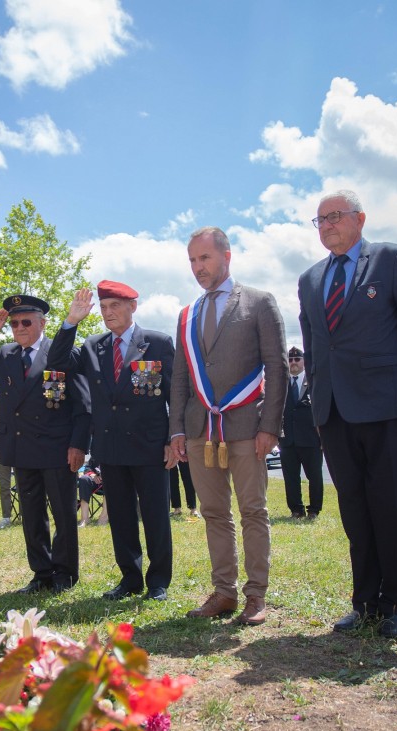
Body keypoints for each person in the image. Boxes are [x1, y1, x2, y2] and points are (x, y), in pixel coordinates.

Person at [169, 227, 288, 625]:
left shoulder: (259, 302)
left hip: (247, 428)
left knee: (253, 511)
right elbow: (181, 379)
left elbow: (278, 365)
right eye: (191, 260)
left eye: (204, 258)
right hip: (201, 429)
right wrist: (177, 431)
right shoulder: (188, 315)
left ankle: (256, 596)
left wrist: (270, 425)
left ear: (226, 256)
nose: (197, 268)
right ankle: (224, 593)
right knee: (214, 512)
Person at [299, 189, 397, 638]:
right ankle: (366, 602)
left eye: (334, 216)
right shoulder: (309, 279)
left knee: (391, 506)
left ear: (360, 218)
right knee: (354, 509)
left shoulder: (390, 260)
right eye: (319, 220)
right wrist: (318, 406)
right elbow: (317, 347)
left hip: (386, 407)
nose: (327, 226)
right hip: (334, 412)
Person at [48, 280, 174, 601]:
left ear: (133, 306)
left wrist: (175, 437)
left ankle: (158, 581)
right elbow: (58, 361)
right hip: (111, 448)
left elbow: (175, 394)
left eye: (115, 306)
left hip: (150, 446)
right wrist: (70, 322)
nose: (108, 313)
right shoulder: (94, 346)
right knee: (120, 518)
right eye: (103, 307)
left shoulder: (157, 343)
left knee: (156, 516)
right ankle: (130, 579)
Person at [0, 294, 91, 593]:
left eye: (26, 322)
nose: (18, 327)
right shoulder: (5, 355)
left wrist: (78, 445)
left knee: (63, 514)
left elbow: (83, 405)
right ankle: (41, 573)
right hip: (21, 449)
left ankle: (65, 574)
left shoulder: (60, 351)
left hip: (57, 449)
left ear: (42, 323)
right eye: (14, 323)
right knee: (32, 516)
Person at [278, 346, 323, 520]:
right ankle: (296, 509)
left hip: (311, 439)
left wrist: (323, 436)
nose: (293, 363)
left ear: (304, 361)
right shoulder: (282, 385)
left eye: (297, 359)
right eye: (290, 360)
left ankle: (314, 510)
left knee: (315, 477)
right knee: (291, 478)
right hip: (288, 439)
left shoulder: (313, 383)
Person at [78, 457, 108, 527]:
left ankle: (104, 517)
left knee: (110, 480)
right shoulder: (97, 453)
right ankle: (84, 519)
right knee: (84, 479)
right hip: (96, 481)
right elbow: (87, 468)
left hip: (111, 483)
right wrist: (93, 475)